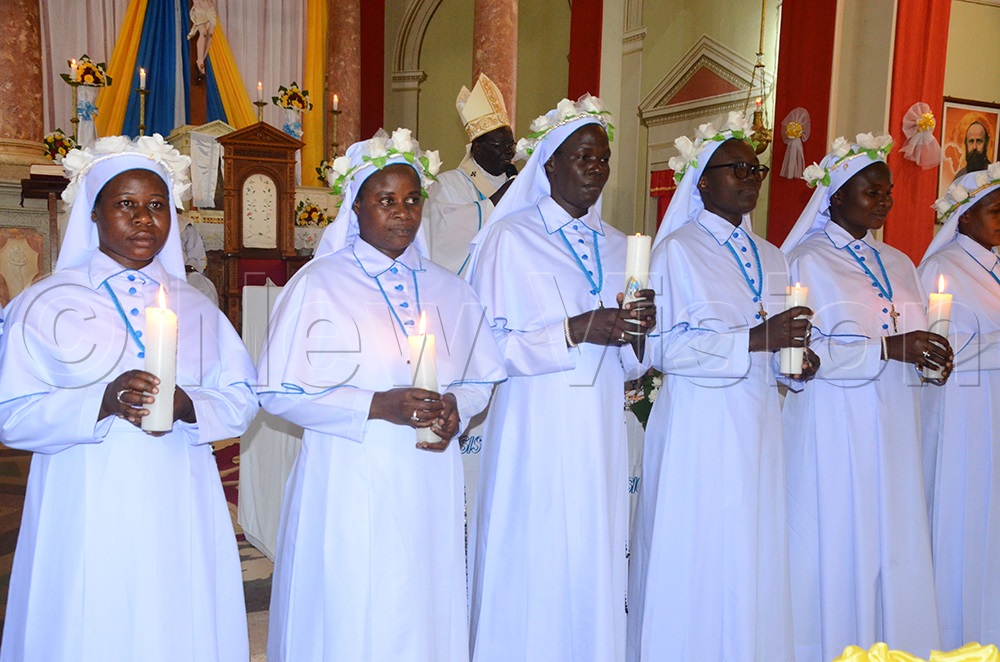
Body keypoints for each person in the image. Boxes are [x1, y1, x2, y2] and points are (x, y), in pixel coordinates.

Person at [0, 134, 258, 661]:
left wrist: (191, 406)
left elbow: (240, 397)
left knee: (175, 618)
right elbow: (12, 415)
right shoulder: (47, 302)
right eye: (126, 205)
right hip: (87, 497)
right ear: (93, 214)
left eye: (157, 205)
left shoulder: (197, 305)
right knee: (94, 618)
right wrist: (101, 401)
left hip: (180, 494)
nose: (144, 219)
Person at [257, 128, 506, 662]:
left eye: (413, 199)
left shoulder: (449, 288)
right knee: (352, 601)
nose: (402, 213)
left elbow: (481, 375)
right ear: (357, 206)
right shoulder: (318, 284)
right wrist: (375, 405)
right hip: (348, 474)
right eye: (386, 200)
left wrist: (458, 406)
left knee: (422, 599)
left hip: (428, 478)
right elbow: (277, 392)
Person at [466, 96, 657, 662]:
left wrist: (639, 332)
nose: (595, 168)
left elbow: (636, 365)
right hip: (533, 425)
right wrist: (572, 329)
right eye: (582, 157)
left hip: (599, 428)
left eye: (602, 158)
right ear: (548, 165)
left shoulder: (624, 246)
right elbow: (486, 349)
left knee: (591, 559)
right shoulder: (510, 239)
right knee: (532, 553)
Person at [627, 113, 811, 662]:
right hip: (697, 430)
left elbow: (778, 347)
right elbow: (661, 352)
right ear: (702, 180)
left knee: (750, 552)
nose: (752, 177)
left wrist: (794, 363)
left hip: (757, 427)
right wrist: (755, 338)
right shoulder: (677, 251)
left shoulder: (774, 256)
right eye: (738, 168)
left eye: (756, 168)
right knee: (699, 551)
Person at [779, 135, 950, 661]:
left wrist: (930, 364)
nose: (883, 200)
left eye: (888, 191)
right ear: (833, 195)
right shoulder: (806, 261)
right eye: (870, 190)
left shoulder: (900, 262)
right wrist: (887, 349)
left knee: (893, 544)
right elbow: (800, 356)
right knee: (838, 542)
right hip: (833, 424)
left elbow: (915, 338)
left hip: (896, 423)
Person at [920, 163, 1000, 650]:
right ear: (964, 217)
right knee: (964, 517)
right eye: (995, 210)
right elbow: (941, 351)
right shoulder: (941, 267)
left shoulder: (994, 263)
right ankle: (954, 633)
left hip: (992, 408)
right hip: (963, 413)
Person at [423, 74, 517, 277]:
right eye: (500, 146)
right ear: (477, 148)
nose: (509, 152)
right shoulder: (448, 184)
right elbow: (445, 234)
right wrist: (497, 200)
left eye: (511, 145)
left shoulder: (517, 180)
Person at [181, 220, 219, 304]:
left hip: (182, 273)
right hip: (152, 273)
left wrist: (187, 268)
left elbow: (197, 257)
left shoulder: (183, 225)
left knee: (207, 288)